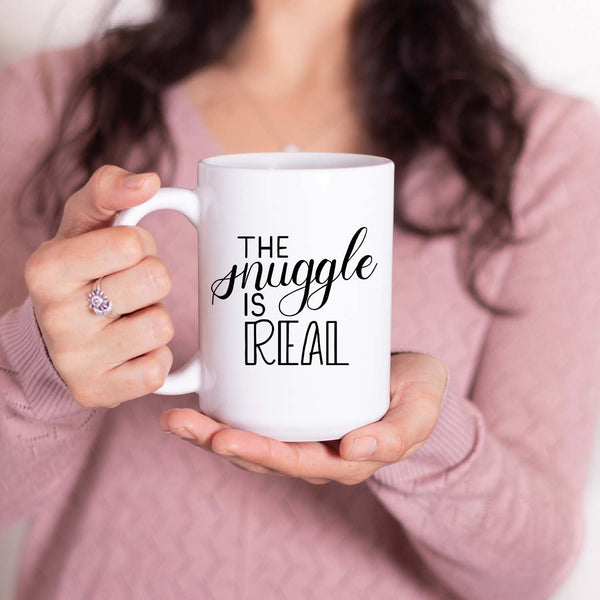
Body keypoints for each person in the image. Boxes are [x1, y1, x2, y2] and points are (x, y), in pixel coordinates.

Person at [1, 0, 599, 598]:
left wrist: (421, 436)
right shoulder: (46, 102)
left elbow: (529, 571)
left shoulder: (547, 152)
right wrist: (42, 369)